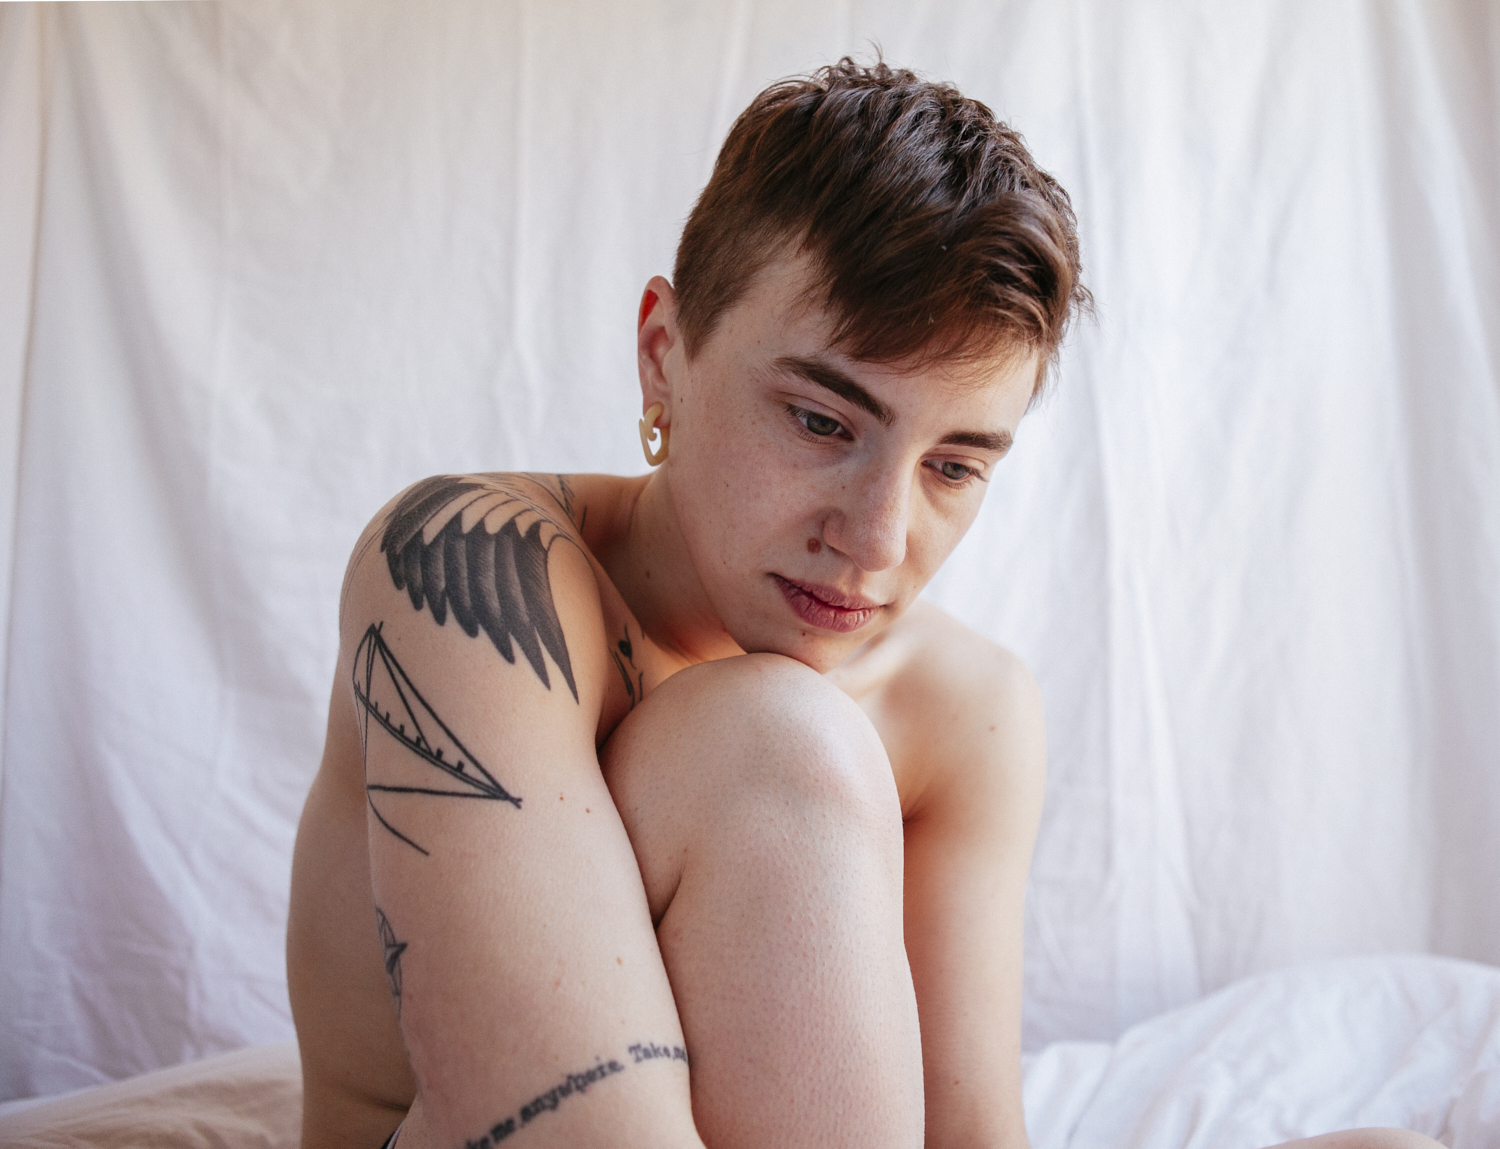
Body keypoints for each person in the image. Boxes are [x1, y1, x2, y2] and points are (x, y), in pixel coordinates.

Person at [286, 59, 1441, 1149]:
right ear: (663, 356)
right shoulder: (474, 571)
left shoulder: (962, 709)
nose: (879, 541)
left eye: (955, 466)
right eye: (822, 422)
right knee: (778, 737)